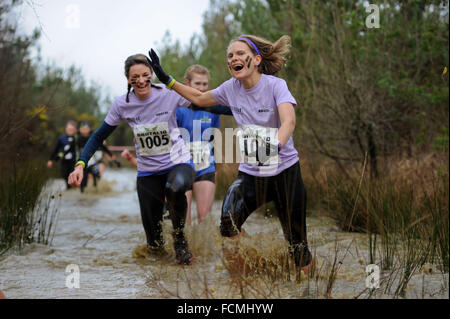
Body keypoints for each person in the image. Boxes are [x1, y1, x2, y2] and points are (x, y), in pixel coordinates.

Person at [148, 34, 313, 271]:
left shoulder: (276, 86)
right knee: (227, 224)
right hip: (251, 174)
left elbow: (289, 122)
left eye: (239, 53)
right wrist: (167, 80)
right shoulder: (230, 88)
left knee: (298, 248)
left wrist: (271, 148)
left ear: (256, 59)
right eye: (230, 55)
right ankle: (246, 276)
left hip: (285, 172)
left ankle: (309, 284)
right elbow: (198, 97)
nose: (233, 58)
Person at [67, 54, 196, 265]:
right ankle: (158, 276)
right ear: (128, 79)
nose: (142, 80)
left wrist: (170, 80)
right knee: (153, 243)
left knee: (175, 189)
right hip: (147, 172)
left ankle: (180, 239)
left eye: (146, 75)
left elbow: (200, 98)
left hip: (178, 162)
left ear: (152, 75)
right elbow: (98, 136)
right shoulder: (122, 105)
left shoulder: (168, 94)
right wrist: (80, 164)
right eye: (135, 77)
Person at [77, 121, 116, 193]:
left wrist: (112, 156)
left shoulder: (94, 138)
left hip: (93, 162)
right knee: (83, 182)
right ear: (80, 130)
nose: (85, 131)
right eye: (83, 129)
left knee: (97, 176)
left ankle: (95, 191)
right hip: (83, 163)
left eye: (86, 129)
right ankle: (82, 196)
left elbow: (104, 147)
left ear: (89, 129)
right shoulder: (77, 138)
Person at [47, 120, 78, 189]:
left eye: (72, 129)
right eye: (68, 129)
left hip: (74, 161)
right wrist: (50, 160)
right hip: (64, 161)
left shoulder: (77, 138)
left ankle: (73, 187)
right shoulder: (61, 138)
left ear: (75, 130)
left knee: (72, 174)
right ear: (66, 129)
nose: (70, 131)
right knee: (64, 174)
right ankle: (68, 187)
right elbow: (56, 149)